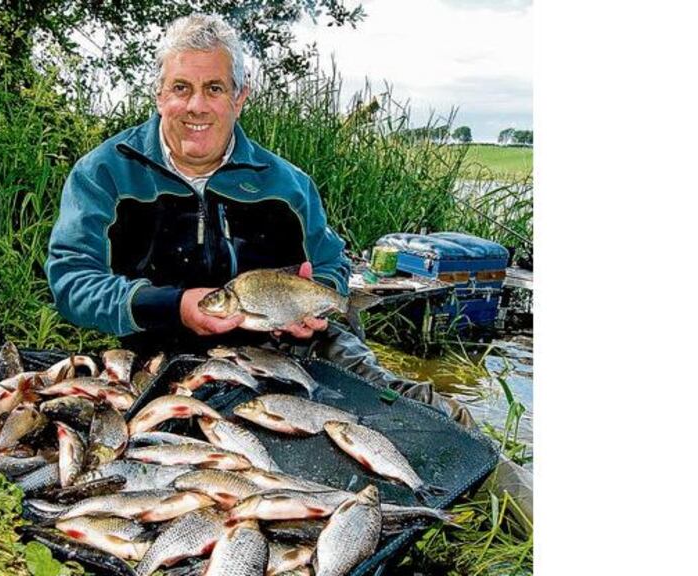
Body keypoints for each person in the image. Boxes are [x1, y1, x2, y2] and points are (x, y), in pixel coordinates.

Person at [45, 13, 474, 427]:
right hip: (162, 350)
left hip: (294, 346)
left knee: (419, 413)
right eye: (181, 88)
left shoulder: (288, 184)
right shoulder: (104, 173)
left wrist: (316, 304)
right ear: (159, 95)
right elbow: (72, 281)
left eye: (214, 88)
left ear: (240, 98)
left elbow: (331, 263)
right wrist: (174, 305)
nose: (196, 106)